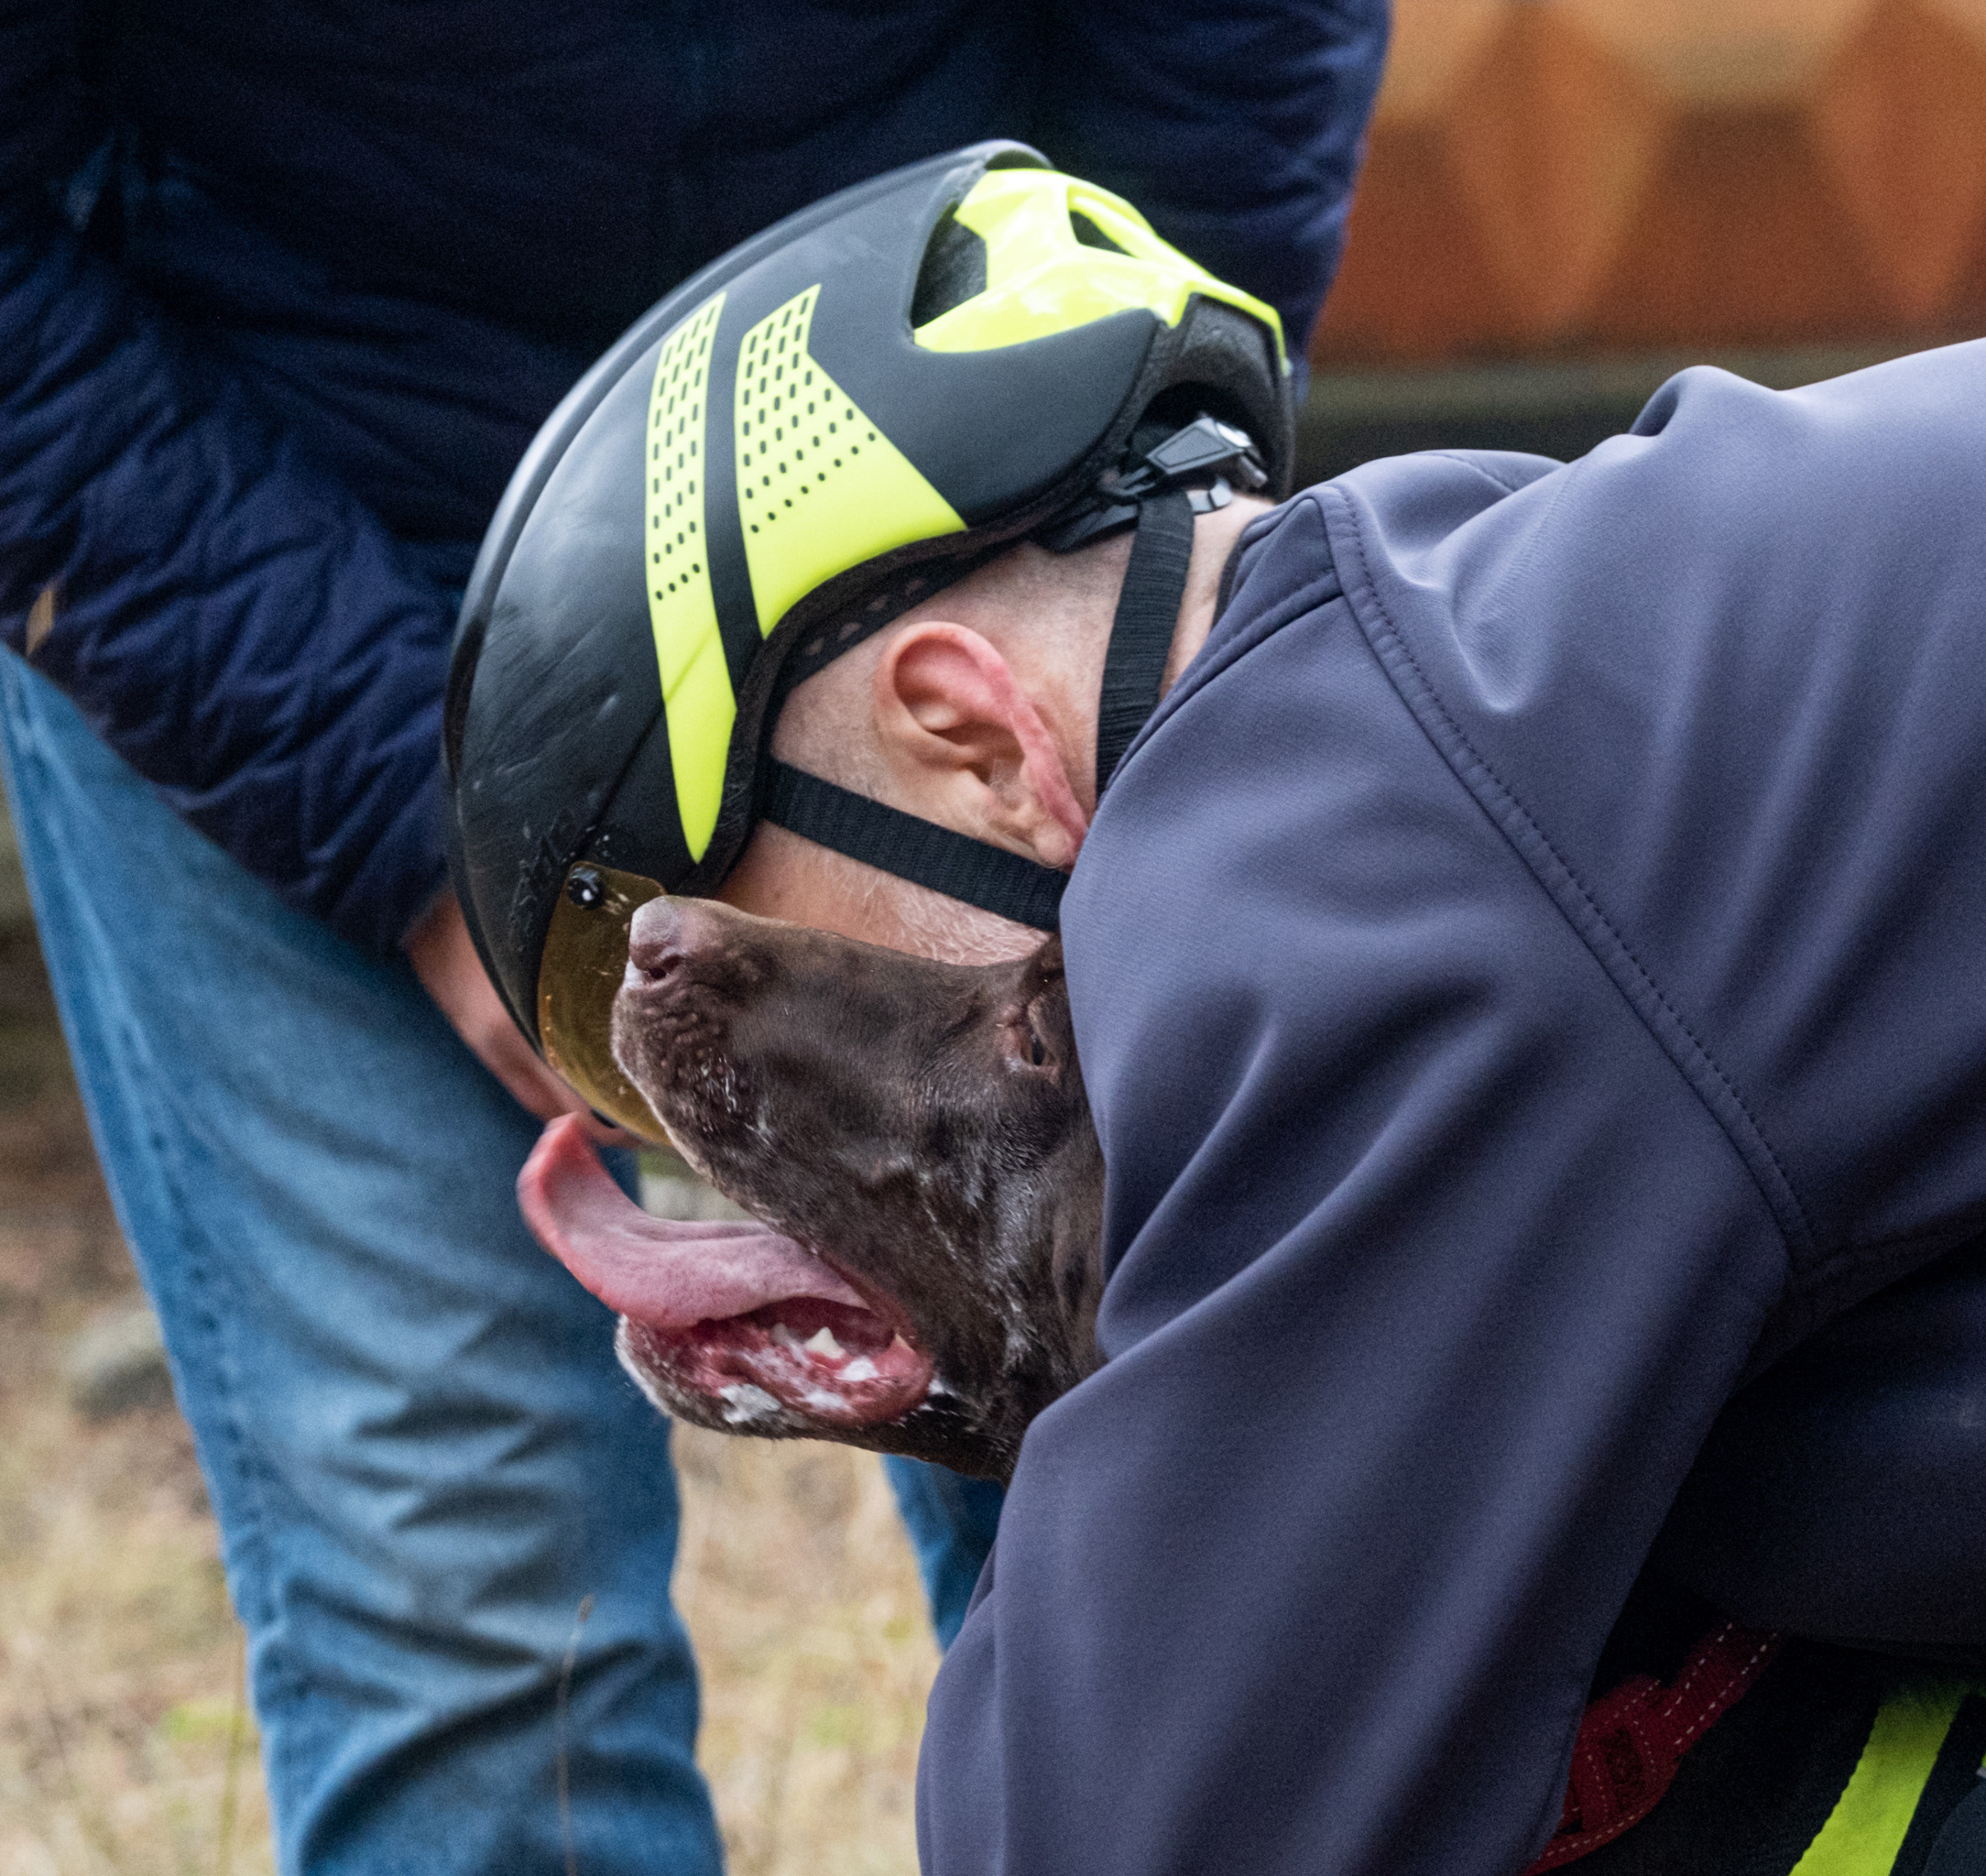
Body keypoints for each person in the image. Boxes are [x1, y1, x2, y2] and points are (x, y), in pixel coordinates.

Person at [0, 7, 1389, 1871]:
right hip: (282, 520)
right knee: (466, 1619)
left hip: (951, 516)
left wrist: (1102, 502)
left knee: (1168, 1520)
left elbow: (1239, 44)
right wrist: (394, 817)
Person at [448, 146, 1986, 1872]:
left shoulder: (1348, 871)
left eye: (765, 920)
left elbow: (1143, 1835)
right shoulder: (1528, 646)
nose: (738, 986)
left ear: (974, 741)